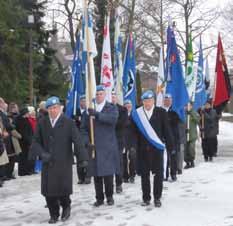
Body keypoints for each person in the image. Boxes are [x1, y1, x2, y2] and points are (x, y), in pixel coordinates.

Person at [30, 96, 88, 224]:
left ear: (60, 108)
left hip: (63, 162)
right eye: (50, 108)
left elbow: (77, 141)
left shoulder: (68, 122)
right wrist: (42, 154)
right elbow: (35, 142)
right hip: (48, 162)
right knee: (48, 192)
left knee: (63, 190)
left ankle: (66, 207)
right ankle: (53, 213)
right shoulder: (42, 122)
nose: (52, 110)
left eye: (55, 108)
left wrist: (82, 158)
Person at [132, 90, 173, 207]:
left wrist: (171, 145)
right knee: (144, 175)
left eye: (149, 101)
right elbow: (133, 133)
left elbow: (167, 130)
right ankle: (146, 198)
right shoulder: (137, 114)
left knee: (158, 175)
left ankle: (157, 198)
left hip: (157, 149)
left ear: (153, 101)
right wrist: (132, 146)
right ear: (142, 102)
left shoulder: (161, 112)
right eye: (145, 101)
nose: (147, 103)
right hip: (142, 150)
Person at [81, 85, 119, 207]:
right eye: (96, 94)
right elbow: (83, 129)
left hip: (107, 146)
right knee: (96, 175)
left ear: (105, 95)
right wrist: (87, 141)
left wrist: (97, 115)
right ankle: (99, 198)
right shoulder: (89, 110)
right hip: (94, 147)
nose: (98, 96)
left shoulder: (111, 108)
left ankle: (109, 196)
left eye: (101, 94)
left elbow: (112, 120)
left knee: (108, 174)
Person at [112, 91, 128, 193]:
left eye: (114, 96)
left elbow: (122, 123)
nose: (112, 98)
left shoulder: (123, 110)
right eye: (111, 96)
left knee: (118, 162)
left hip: (118, 139)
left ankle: (118, 183)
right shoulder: (104, 109)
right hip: (107, 140)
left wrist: (109, 121)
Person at [74, 95, 91, 185]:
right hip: (77, 138)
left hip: (87, 138)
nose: (84, 103)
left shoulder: (89, 112)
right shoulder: (74, 111)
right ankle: (81, 177)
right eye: (82, 101)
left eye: (85, 101)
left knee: (87, 157)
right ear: (79, 102)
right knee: (79, 158)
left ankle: (88, 176)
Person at [163, 94, 180, 181]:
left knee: (173, 157)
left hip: (173, 139)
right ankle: (164, 175)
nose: (168, 101)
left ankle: (173, 174)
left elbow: (176, 123)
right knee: (164, 158)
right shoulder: (160, 112)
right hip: (163, 139)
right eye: (166, 100)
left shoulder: (174, 112)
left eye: (169, 100)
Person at [15, 107, 34, 176]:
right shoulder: (20, 120)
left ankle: (26, 170)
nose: (29, 113)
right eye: (27, 112)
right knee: (23, 157)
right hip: (23, 142)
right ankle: (22, 171)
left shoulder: (25, 119)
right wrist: (29, 141)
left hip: (26, 141)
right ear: (25, 113)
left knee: (26, 157)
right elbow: (24, 133)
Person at [123, 99, 137, 183]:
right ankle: (125, 176)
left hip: (132, 140)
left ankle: (132, 174)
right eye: (126, 106)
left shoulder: (135, 115)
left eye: (129, 106)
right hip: (123, 140)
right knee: (123, 159)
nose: (128, 108)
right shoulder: (121, 116)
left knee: (132, 157)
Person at [184, 103, 200, 169]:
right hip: (184, 134)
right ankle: (187, 162)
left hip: (192, 134)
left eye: (189, 106)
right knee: (185, 150)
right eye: (186, 106)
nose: (187, 107)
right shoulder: (184, 113)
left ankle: (192, 161)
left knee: (191, 148)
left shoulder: (194, 113)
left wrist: (191, 113)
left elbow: (198, 120)